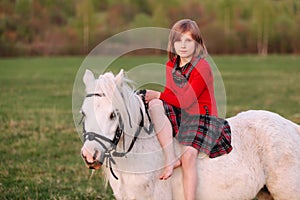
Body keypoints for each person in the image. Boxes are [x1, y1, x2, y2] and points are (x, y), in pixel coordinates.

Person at [145, 19, 232, 200]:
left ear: (197, 43)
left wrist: (158, 94)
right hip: (183, 114)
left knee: (188, 155)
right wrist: (154, 98)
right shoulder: (171, 66)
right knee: (154, 105)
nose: (183, 46)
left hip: (203, 117)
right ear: (172, 43)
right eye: (179, 41)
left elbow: (186, 99)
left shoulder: (202, 67)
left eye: (188, 41)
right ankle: (170, 159)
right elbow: (171, 93)